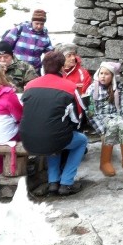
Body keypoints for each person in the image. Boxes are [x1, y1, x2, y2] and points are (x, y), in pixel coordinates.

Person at [20, 51, 87, 196]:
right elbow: (78, 117)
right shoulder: (70, 87)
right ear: (62, 68)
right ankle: (66, 183)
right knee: (80, 140)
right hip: (54, 137)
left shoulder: (29, 86)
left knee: (53, 133)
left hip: (28, 138)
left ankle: (53, 182)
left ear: (43, 67)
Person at [83, 61, 123, 176]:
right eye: (101, 73)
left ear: (112, 76)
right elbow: (90, 111)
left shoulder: (117, 88)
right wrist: (101, 128)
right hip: (100, 117)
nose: (103, 76)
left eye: (106, 74)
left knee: (122, 126)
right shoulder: (92, 89)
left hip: (114, 115)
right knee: (110, 128)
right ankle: (105, 162)